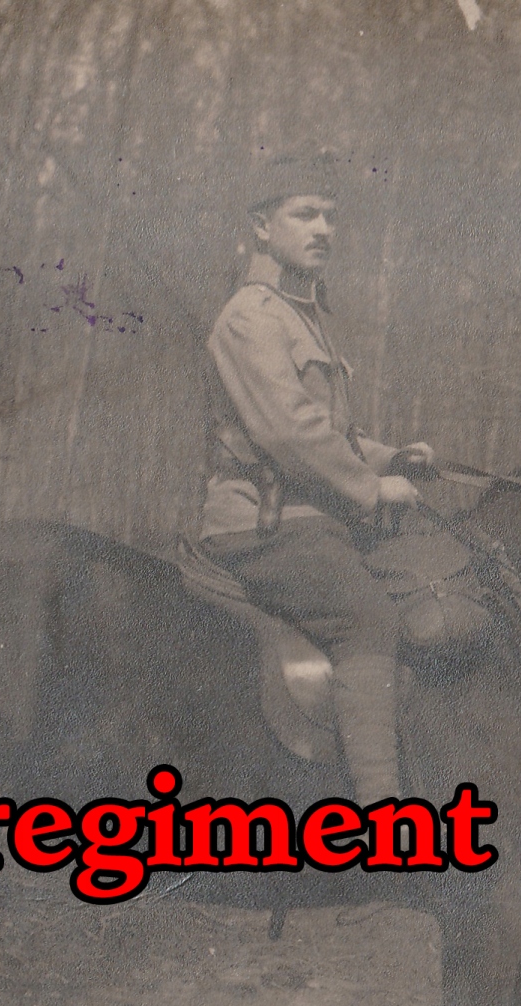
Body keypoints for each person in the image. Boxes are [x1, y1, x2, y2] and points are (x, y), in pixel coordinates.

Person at [199, 151, 432, 805]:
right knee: (369, 620)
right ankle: (380, 811)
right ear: (261, 226)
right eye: (305, 214)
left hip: (308, 519)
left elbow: (332, 432)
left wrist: (391, 459)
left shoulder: (299, 314)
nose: (324, 229)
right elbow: (289, 432)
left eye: (330, 215)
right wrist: (370, 489)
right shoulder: (250, 317)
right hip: (263, 525)